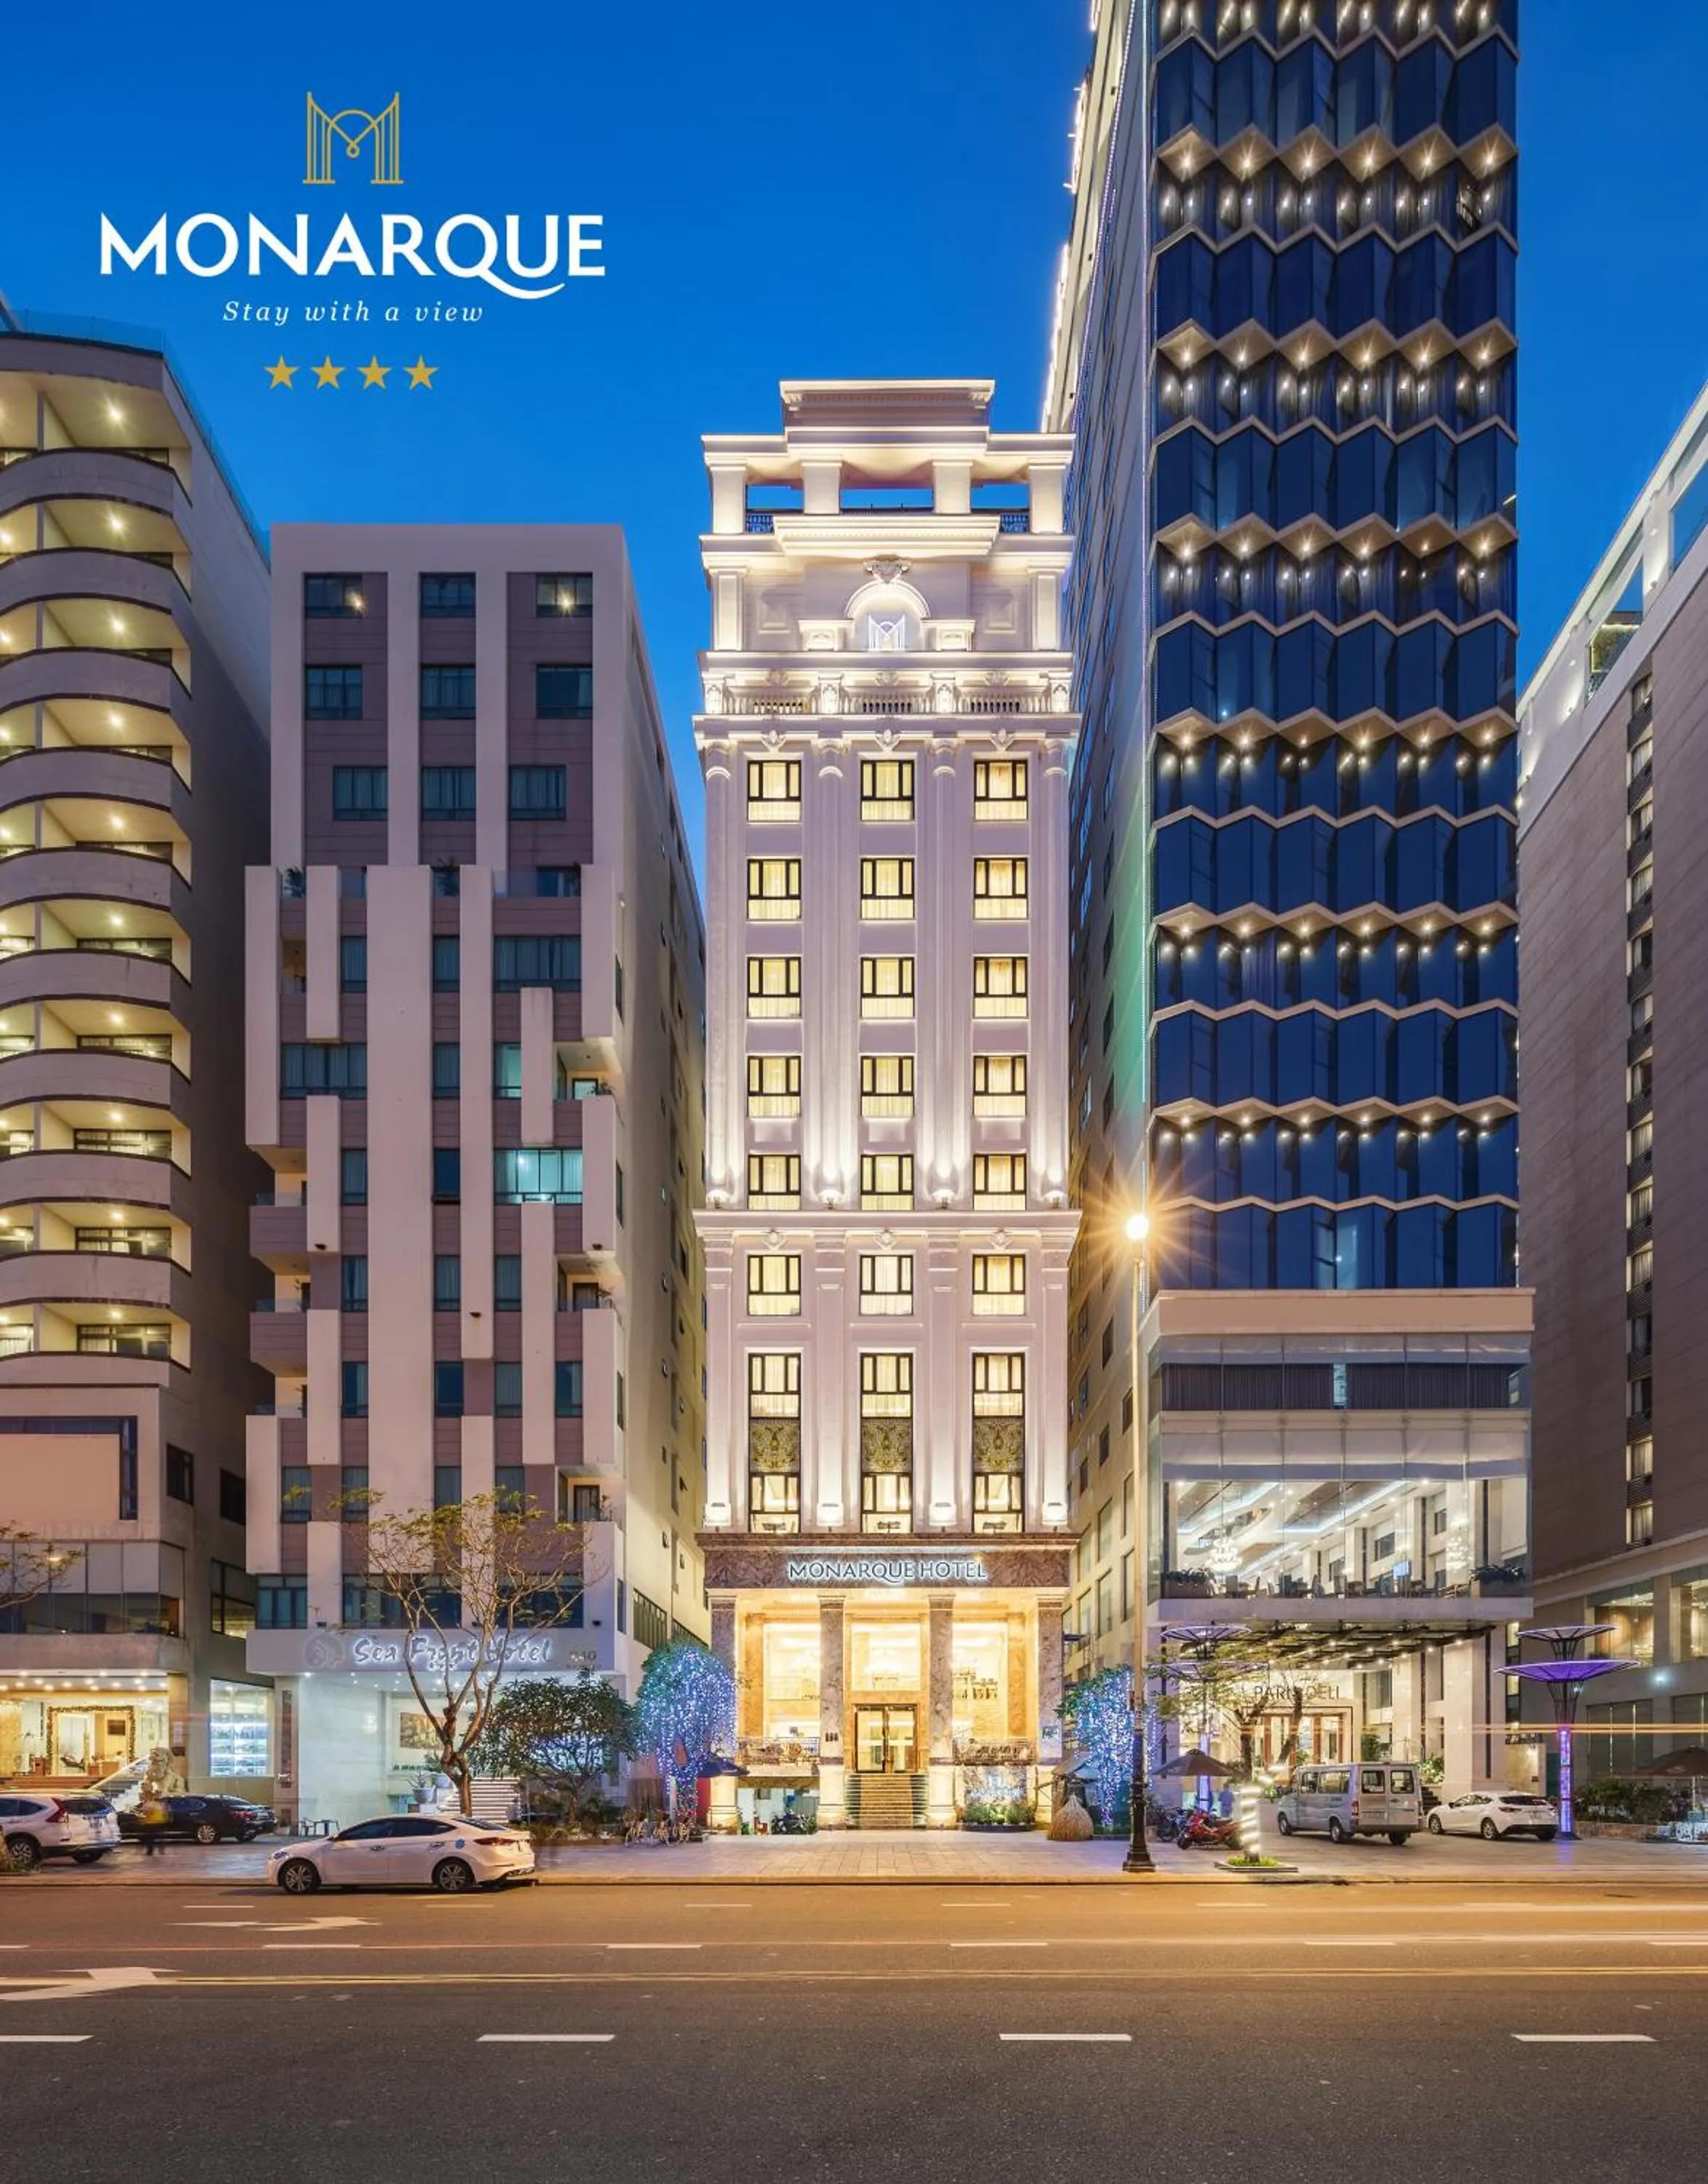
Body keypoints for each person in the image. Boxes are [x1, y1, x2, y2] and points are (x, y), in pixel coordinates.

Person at [135, 1792, 170, 1859]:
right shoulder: (161, 1804)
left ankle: (150, 1850)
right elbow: (165, 1813)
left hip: (150, 1823)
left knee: (149, 1838)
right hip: (160, 1822)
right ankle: (161, 1849)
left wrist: (141, 1820)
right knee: (160, 1837)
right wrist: (166, 1820)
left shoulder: (147, 1804)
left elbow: (144, 1813)